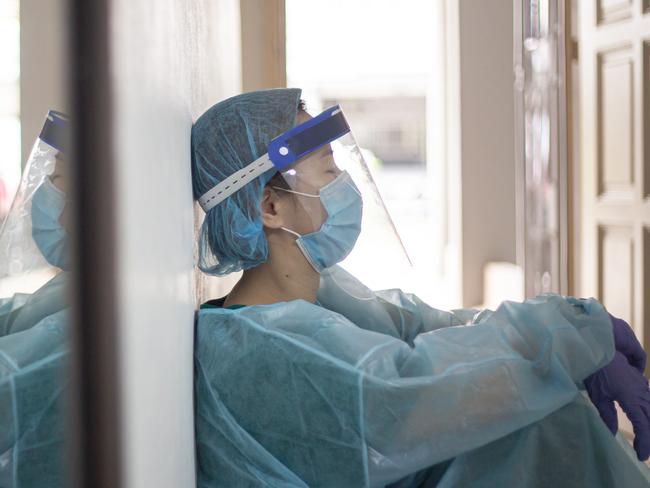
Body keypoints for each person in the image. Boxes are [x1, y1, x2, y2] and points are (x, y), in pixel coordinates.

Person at [192, 89, 650, 487]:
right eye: (329, 171)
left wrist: (574, 331)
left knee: (549, 406)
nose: (346, 185)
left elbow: (428, 329)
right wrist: (568, 335)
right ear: (270, 207)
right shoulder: (257, 354)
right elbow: (413, 387)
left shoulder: (317, 294)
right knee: (549, 425)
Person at [0, 110, 71, 487]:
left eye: (58, 178)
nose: (54, 213)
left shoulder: (81, 320)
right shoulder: (73, 292)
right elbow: (14, 318)